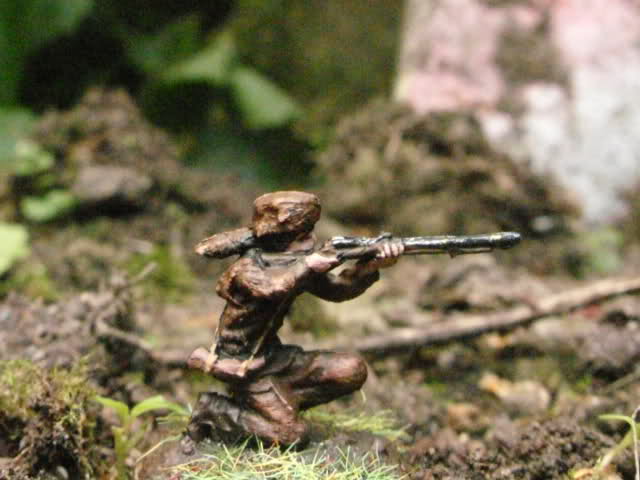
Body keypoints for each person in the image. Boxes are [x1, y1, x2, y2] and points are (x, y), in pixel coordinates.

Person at [185, 191, 403, 447]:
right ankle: (215, 410)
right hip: (243, 364)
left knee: (351, 370)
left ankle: (279, 404)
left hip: (273, 356)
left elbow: (338, 290)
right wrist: (311, 264)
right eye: (303, 236)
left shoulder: (297, 264)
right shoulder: (247, 268)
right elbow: (273, 288)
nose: (312, 241)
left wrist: (369, 268)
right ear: (281, 239)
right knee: (291, 435)